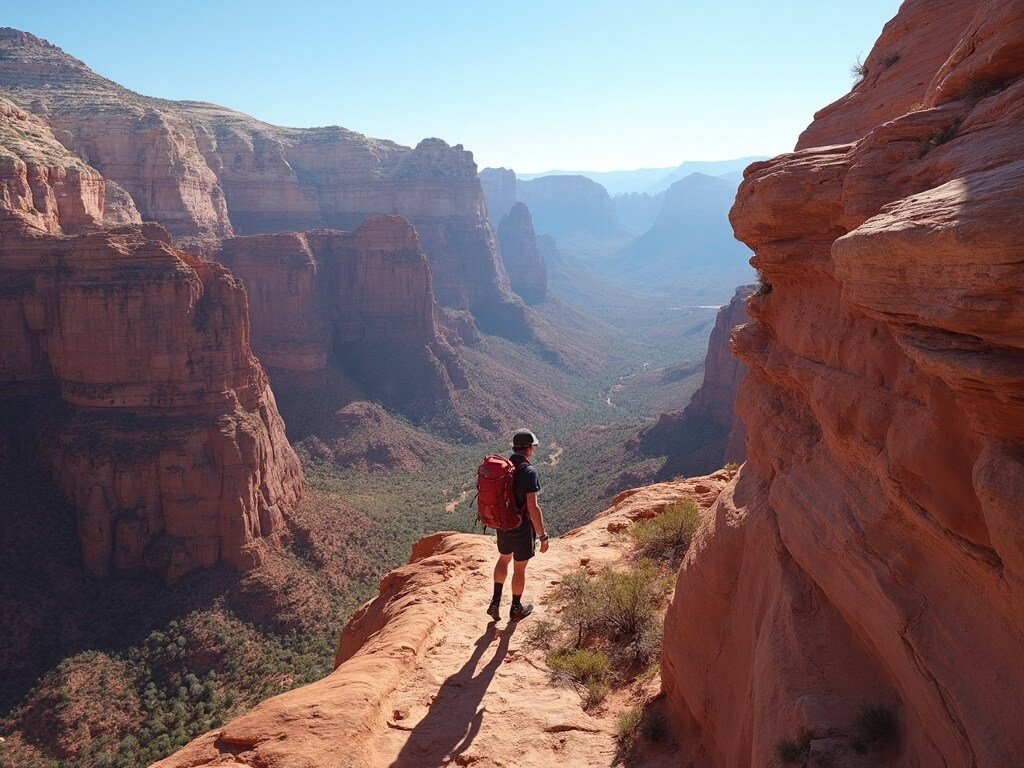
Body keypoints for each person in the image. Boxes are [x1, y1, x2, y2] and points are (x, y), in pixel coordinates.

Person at [488, 428, 550, 621]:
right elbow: (533, 507)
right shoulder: (528, 471)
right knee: (519, 568)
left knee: (503, 558)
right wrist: (543, 535)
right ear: (529, 448)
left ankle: (495, 602)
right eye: (533, 446)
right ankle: (515, 608)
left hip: (503, 522)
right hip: (521, 526)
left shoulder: (505, 466)